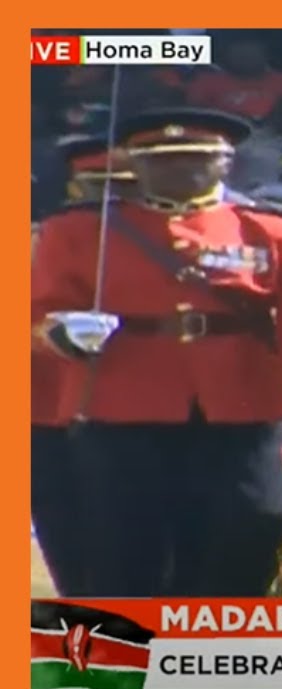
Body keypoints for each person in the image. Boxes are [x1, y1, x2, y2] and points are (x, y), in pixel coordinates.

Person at [30, 107, 282, 598]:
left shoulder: (275, 229)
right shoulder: (80, 230)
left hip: (245, 404)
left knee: (252, 529)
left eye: (195, 158)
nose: (179, 168)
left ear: (225, 161)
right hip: (122, 404)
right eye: (160, 159)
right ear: (135, 165)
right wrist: (62, 330)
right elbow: (42, 308)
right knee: (124, 548)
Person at [31, 135, 137, 597]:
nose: (113, 200)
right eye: (100, 187)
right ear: (75, 188)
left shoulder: (170, 247)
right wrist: (53, 335)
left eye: (127, 188)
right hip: (48, 414)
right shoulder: (39, 243)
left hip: (143, 413)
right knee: (73, 542)